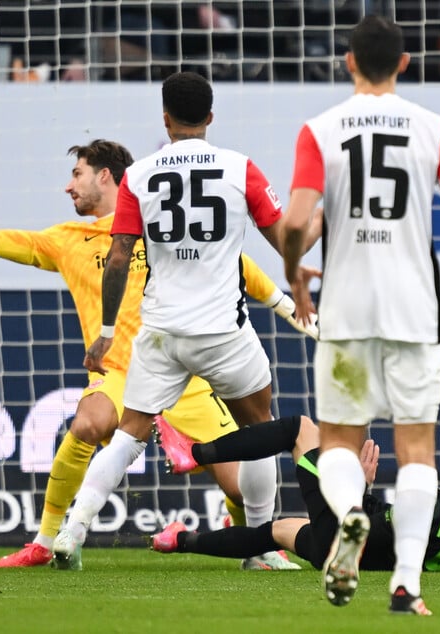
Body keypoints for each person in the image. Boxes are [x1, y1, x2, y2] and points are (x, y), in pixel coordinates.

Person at [0, 139, 316, 571]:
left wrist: (284, 305)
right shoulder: (66, 239)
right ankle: (45, 541)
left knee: (240, 484)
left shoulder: (152, 220)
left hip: (190, 371)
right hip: (126, 369)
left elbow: (238, 264)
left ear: (105, 176)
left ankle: (252, 541)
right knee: (88, 424)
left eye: (76, 173)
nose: (68, 185)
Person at [52, 72, 314, 569]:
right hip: (223, 332)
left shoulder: (139, 176)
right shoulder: (242, 169)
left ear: (165, 118)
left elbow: (118, 256)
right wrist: (302, 272)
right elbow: (286, 243)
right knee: (260, 429)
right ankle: (259, 549)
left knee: (128, 435)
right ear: (211, 117)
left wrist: (107, 333)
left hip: (161, 333)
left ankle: (74, 529)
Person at [281, 16, 440, 615]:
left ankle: (351, 514)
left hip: (347, 311)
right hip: (414, 311)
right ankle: (406, 585)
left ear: (348, 62)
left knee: (343, 442)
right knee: (419, 450)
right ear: (404, 64)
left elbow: (296, 222)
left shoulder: (319, 129)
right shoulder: (434, 128)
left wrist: (297, 274)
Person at [150, 416, 440, 574]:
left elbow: (359, 526)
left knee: (300, 429)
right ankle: (179, 540)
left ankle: (195, 455)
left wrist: (359, 488)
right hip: (358, 558)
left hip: (342, 547)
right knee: (277, 531)